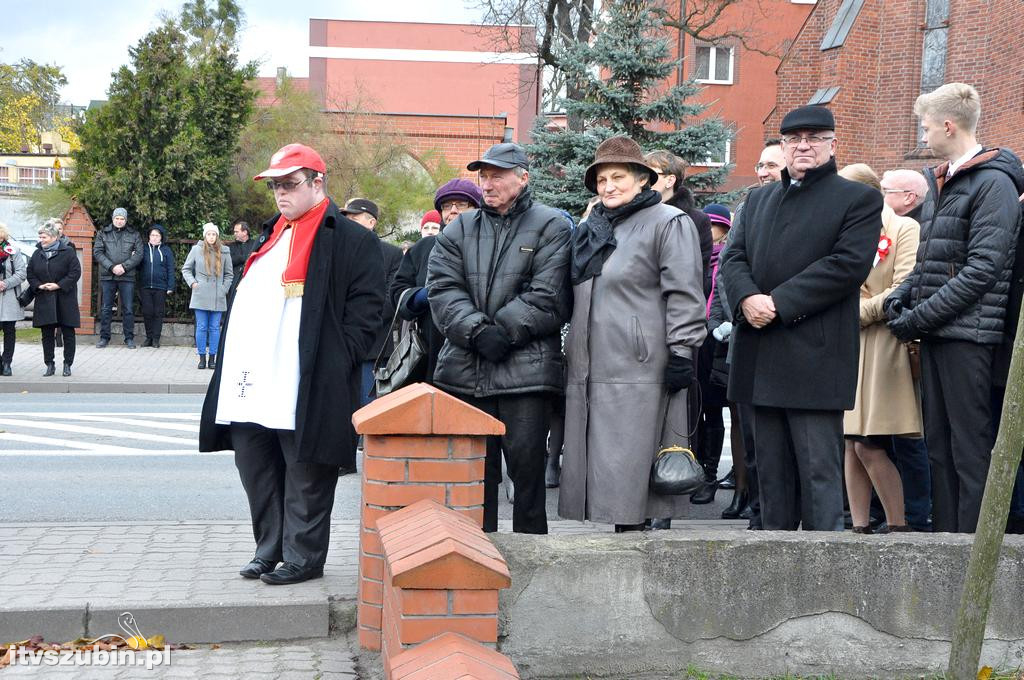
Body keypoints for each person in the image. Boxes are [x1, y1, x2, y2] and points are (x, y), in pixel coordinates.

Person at [199, 143, 385, 585]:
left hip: (308, 377)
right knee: (255, 464)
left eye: (289, 184)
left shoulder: (353, 239)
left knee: (306, 469)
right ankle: (269, 549)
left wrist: (338, 358)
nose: (281, 193)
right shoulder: (271, 234)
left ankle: (303, 558)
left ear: (318, 183)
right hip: (252, 375)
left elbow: (369, 310)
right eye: (275, 186)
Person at [719, 105, 882, 531]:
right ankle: (774, 563)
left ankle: (823, 566)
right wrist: (747, 298)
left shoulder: (858, 199)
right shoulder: (759, 199)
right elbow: (733, 257)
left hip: (815, 359)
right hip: (760, 354)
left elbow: (846, 265)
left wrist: (777, 303)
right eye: (794, 139)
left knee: (817, 478)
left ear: (832, 144)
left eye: (814, 138)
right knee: (769, 480)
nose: (803, 146)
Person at [886, 83, 1024, 533]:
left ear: (948, 126)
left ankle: (972, 552)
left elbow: (983, 270)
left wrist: (917, 318)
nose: (923, 136)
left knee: (970, 451)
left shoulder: (993, 182)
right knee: (939, 449)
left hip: (970, 337)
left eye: (926, 128)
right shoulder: (944, 179)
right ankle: (945, 545)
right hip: (940, 331)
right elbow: (931, 260)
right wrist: (902, 296)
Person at [558, 135, 706, 531]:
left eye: (617, 177)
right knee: (604, 470)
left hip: (640, 367)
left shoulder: (668, 222)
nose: (608, 186)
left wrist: (682, 351)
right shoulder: (594, 227)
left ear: (642, 179)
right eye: (601, 179)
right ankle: (620, 546)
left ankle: (634, 547)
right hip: (591, 364)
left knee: (631, 472)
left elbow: (685, 292)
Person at [427, 143, 570, 534]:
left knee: (527, 476)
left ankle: (530, 557)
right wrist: (477, 331)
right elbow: (442, 289)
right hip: (466, 371)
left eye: (497, 176)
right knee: (473, 478)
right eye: (484, 176)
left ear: (523, 178)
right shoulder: (459, 228)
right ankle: (477, 554)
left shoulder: (552, 226)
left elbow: (550, 294)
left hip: (526, 376)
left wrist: (503, 331)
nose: (487, 184)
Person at [837, 163, 922, 534]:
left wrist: (856, 312)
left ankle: (898, 525)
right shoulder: (845, 231)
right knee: (850, 442)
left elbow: (904, 285)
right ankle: (859, 526)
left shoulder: (903, 228)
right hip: (850, 345)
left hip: (884, 342)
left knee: (869, 442)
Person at [879, 168, 933, 531]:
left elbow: (908, 283)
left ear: (908, 198)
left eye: (886, 190)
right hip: (894, 332)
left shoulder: (912, 228)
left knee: (910, 435)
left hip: (906, 337)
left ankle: (915, 513)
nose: (880, 197)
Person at [390, 179, 483, 386]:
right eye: (446, 206)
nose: (453, 211)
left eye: (461, 204)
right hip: (430, 352)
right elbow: (397, 291)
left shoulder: (489, 246)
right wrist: (421, 296)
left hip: (477, 352)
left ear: (477, 209)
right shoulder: (423, 248)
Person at [340, 198, 403, 408]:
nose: (347, 223)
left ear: (371, 222)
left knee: (369, 410)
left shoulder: (391, 254)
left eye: (354, 218)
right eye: (346, 219)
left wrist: (357, 323)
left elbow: (391, 299)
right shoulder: (335, 251)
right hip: (338, 346)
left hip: (373, 348)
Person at [27, 222, 81, 377]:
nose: (41, 240)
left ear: (54, 237)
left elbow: (75, 273)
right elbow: (30, 273)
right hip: (45, 298)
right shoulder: (37, 253)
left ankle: (67, 364)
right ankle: (49, 364)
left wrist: (59, 285)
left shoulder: (68, 251)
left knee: (68, 333)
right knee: (47, 334)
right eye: (40, 237)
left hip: (65, 298)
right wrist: (39, 285)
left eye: (44, 237)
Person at [182, 223, 233, 370]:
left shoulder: (224, 251)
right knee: (202, 327)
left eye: (214, 234)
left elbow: (229, 274)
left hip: (218, 295)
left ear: (217, 236)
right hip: (200, 294)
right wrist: (193, 283)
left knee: (215, 328)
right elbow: (186, 269)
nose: (211, 237)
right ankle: (202, 357)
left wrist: (224, 289)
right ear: (205, 235)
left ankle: (212, 358)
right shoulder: (196, 250)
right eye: (209, 234)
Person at [93, 207, 143, 349]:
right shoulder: (103, 233)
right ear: (113, 219)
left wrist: (124, 267)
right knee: (106, 308)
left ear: (125, 220)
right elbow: (98, 252)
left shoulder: (134, 234)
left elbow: (139, 254)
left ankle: (129, 338)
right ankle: (104, 338)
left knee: (128, 308)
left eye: (122, 219)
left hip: (127, 276)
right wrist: (112, 267)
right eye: (117, 218)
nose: (119, 221)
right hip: (108, 276)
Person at [138, 224, 175, 348]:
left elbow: (170, 269)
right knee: (147, 312)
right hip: (145, 286)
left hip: (161, 286)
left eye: (157, 235)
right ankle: (148, 338)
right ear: (149, 236)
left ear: (161, 237)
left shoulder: (166, 250)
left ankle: (155, 339)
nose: (154, 237)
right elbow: (138, 267)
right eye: (152, 235)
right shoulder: (143, 249)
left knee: (158, 313)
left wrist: (170, 286)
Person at [0, 223, 27, 376]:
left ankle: (7, 363)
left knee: (9, 331)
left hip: (9, 298)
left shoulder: (13, 251)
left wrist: (5, 283)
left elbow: (22, 273)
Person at [228, 221, 258, 301]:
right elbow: (229, 261)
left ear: (245, 232)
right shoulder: (231, 246)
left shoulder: (255, 244)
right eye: (234, 232)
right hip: (235, 280)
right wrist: (244, 258)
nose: (234, 234)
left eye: (237, 232)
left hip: (251, 279)